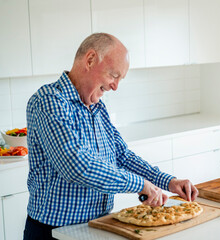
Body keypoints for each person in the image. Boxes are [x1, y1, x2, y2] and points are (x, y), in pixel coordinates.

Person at [23, 33, 198, 239]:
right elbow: (77, 166)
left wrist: (168, 182)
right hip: (54, 232)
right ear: (90, 60)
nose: (115, 86)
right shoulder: (49, 101)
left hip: (98, 226)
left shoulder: (97, 107)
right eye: (114, 75)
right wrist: (140, 185)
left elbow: (122, 156)